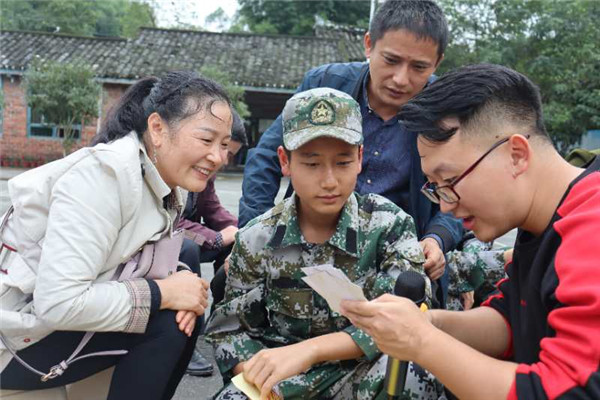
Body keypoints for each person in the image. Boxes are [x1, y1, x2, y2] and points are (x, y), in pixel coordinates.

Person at [341, 64, 600, 399]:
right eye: (435, 187)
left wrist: (420, 341)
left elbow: (569, 390)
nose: (445, 206)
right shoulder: (541, 222)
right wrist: (425, 323)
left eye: (449, 181)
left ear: (516, 154)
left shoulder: (590, 229)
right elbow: (510, 321)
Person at [0, 71, 233, 399]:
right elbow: (58, 303)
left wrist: (184, 287)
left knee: (185, 287)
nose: (218, 157)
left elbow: (144, 258)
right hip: (14, 338)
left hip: (47, 327)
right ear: (157, 128)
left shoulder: (156, 183)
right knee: (167, 322)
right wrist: (162, 294)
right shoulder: (104, 179)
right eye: (206, 140)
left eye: (224, 145)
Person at [206, 88, 442, 400]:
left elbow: (406, 319)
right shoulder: (257, 238)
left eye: (342, 162)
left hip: (363, 373)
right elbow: (230, 329)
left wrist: (312, 350)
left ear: (360, 158)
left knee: (413, 371)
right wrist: (261, 381)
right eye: (312, 164)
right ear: (285, 162)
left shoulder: (390, 226)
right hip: (282, 377)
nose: (329, 180)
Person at [238, 0, 463, 304]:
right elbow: (264, 158)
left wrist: (437, 239)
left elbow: (460, 189)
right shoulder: (323, 86)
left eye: (419, 67)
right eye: (391, 60)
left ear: (437, 63)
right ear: (369, 45)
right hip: (309, 238)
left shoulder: (445, 110)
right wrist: (252, 235)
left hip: (394, 252)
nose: (401, 78)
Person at [177, 110, 248, 377]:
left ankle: (222, 320)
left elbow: (212, 208)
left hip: (189, 237)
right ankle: (184, 340)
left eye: (229, 153)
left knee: (235, 244)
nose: (222, 160)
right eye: (224, 150)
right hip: (162, 242)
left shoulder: (208, 170)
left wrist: (242, 231)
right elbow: (170, 222)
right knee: (189, 249)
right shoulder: (175, 163)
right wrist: (216, 237)